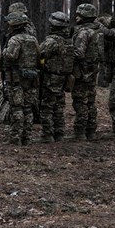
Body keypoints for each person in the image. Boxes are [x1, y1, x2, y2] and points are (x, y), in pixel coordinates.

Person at [1, 12, 40, 145]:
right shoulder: (33, 39)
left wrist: (4, 52)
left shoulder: (15, 40)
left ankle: (15, 137)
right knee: (28, 108)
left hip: (16, 78)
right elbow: (38, 56)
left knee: (17, 107)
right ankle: (27, 137)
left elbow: (10, 56)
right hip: (31, 77)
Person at [70, 3, 104, 140]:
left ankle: (80, 132)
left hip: (82, 72)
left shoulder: (84, 32)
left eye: (79, 14)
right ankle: (91, 131)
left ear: (84, 16)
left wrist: (66, 51)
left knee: (80, 102)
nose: (76, 16)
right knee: (90, 101)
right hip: (93, 70)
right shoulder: (97, 31)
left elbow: (79, 53)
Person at [38, 11, 74, 142]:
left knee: (47, 107)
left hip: (52, 78)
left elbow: (40, 54)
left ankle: (47, 135)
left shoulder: (52, 41)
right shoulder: (69, 40)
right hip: (63, 78)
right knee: (59, 107)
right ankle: (59, 134)